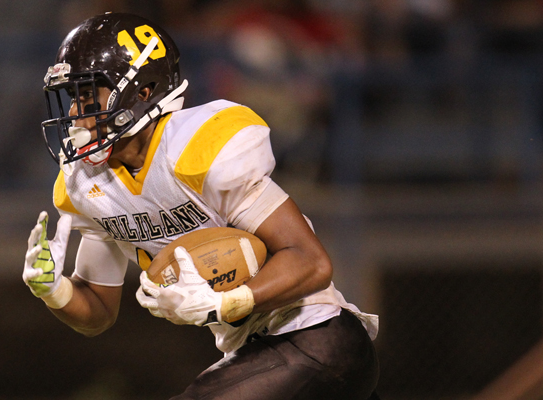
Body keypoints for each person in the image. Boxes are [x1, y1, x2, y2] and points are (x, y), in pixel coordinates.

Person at [23, 12, 380, 400]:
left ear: (142, 92)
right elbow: (98, 310)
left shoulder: (197, 149)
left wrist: (228, 301)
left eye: (89, 95)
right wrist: (54, 291)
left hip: (315, 335)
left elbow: (311, 261)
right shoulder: (88, 184)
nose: (76, 112)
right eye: (74, 97)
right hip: (254, 350)